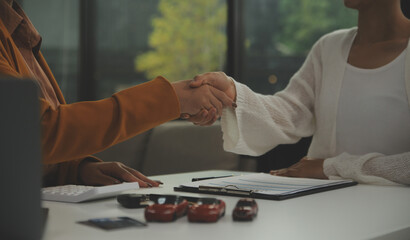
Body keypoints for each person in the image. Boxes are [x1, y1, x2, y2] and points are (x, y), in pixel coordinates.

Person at [0, 0, 233, 187]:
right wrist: (173, 98)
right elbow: (35, 133)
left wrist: (78, 170)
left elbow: (21, 147)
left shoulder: (16, 30)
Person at [189, 0, 410, 185]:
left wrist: (331, 167)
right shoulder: (329, 48)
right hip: (326, 206)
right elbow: (290, 113)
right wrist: (233, 93)